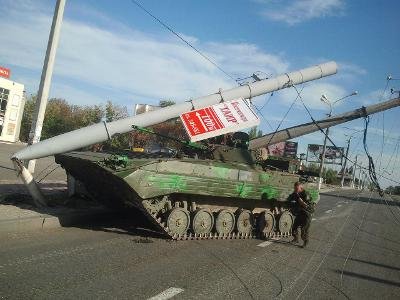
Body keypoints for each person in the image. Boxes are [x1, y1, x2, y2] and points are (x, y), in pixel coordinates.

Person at [288, 182, 315, 248]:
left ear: (301, 188)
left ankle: (305, 242)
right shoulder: (296, 193)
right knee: (294, 227)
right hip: (300, 213)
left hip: (307, 213)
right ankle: (296, 239)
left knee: (304, 229)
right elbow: (289, 199)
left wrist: (301, 201)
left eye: (297, 188)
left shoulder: (306, 194)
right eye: (294, 188)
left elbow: (306, 205)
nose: (295, 190)